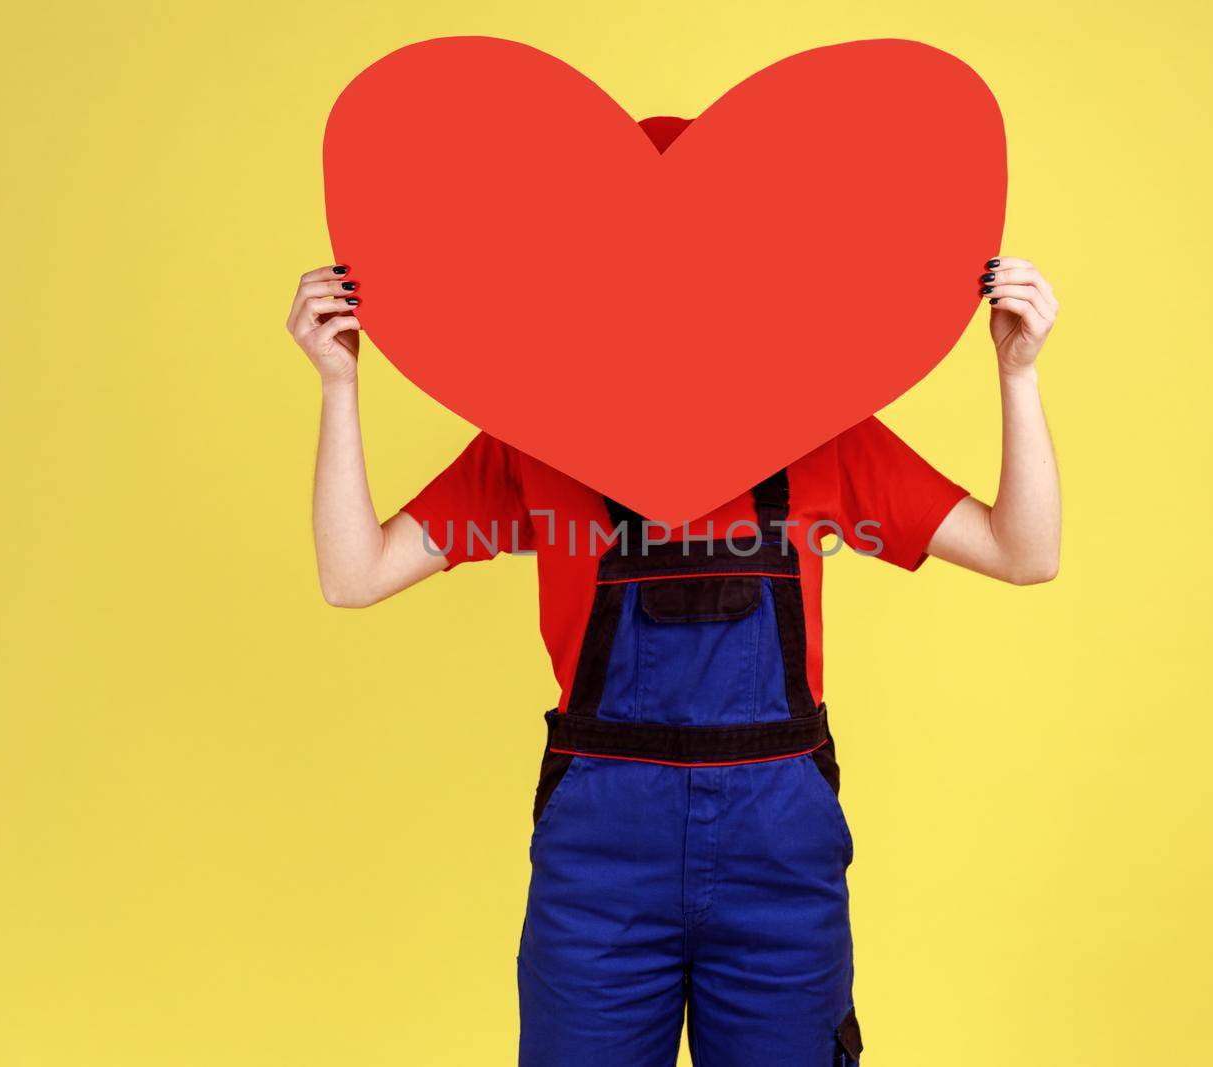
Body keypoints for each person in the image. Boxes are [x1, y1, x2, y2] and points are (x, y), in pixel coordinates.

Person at [286, 115, 1060, 1067]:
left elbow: (1026, 552)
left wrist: (1016, 375)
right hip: (601, 870)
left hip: (779, 862)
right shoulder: (537, 444)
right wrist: (337, 384)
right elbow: (352, 573)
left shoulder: (825, 436)